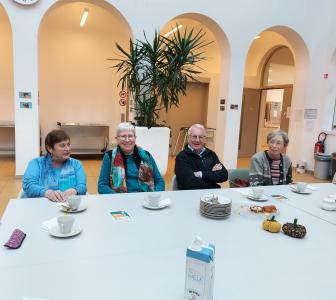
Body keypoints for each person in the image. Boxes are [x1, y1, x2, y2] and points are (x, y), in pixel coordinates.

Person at [98, 122, 165, 193]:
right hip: (120, 200)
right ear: (117, 139)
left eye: (130, 136)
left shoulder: (146, 156)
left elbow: (160, 182)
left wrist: (153, 195)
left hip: (146, 199)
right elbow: (102, 186)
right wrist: (117, 198)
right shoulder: (109, 156)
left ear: (135, 138)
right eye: (123, 136)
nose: (127, 140)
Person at [22, 129, 87, 201]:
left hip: (68, 208)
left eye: (68, 144)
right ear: (50, 148)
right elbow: (29, 186)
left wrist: (75, 190)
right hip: (40, 207)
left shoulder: (76, 164)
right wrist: (47, 193)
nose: (67, 148)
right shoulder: (36, 163)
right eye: (62, 146)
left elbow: (82, 187)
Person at [174, 124, 228, 190]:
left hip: (211, 195)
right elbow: (190, 183)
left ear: (205, 139)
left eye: (200, 137)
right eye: (194, 136)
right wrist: (212, 175)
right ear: (188, 138)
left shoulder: (211, 154)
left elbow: (224, 175)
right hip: (190, 196)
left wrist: (200, 174)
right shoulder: (182, 157)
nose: (197, 140)